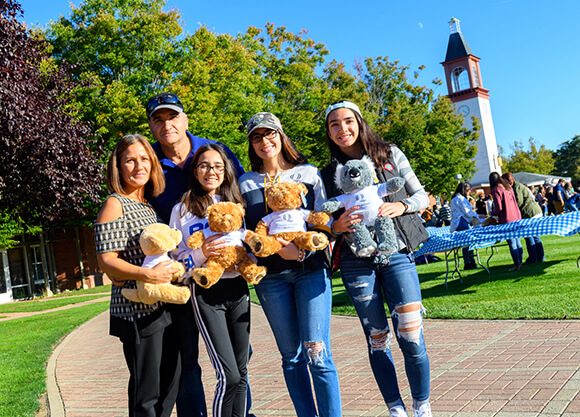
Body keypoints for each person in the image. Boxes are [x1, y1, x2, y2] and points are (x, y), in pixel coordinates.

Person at [321, 100, 431, 417]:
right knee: (377, 339)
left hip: (397, 252)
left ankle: (421, 405)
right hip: (357, 260)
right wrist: (335, 225)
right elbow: (319, 219)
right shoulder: (327, 174)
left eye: (348, 121)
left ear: (359, 122)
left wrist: (403, 206)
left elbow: (421, 196)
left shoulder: (389, 154)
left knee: (411, 333)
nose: (343, 129)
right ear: (329, 132)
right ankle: (395, 408)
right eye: (334, 124)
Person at [144, 92, 250, 417]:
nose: (167, 125)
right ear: (151, 126)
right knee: (188, 356)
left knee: (239, 367)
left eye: (172, 117)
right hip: (187, 276)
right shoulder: (152, 166)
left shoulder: (215, 151)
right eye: (158, 119)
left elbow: (244, 196)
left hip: (234, 285)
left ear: (185, 119)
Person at [239, 112, 342, 417]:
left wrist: (300, 253)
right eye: (256, 137)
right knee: (291, 357)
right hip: (271, 280)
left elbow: (325, 223)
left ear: (281, 136)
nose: (264, 141)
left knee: (317, 352)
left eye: (269, 134)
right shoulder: (246, 182)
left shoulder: (308, 174)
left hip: (310, 271)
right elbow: (247, 231)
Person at [94, 134, 181, 417]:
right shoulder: (114, 203)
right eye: (130, 160)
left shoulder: (148, 205)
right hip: (135, 311)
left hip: (162, 306)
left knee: (171, 380)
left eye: (144, 159)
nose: (138, 166)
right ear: (118, 166)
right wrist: (147, 274)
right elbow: (105, 260)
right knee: (147, 393)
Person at [170, 144, 250, 417]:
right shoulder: (182, 210)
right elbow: (175, 262)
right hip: (205, 291)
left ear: (226, 171)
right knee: (229, 376)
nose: (211, 171)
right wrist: (200, 253)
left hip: (238, 289)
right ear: (195, 171)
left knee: (242, 372)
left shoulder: (237, 206)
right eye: (204, 165)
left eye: (217, 166)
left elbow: (248, 243)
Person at [502, 172, 545, 264]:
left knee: (528, 235)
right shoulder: (517, 186)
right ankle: (540, 257)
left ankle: (533, 258)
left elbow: (519, 202)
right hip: (534, 211)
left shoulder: (516, 187)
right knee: (535, 236)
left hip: (529, 213)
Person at [489, 172, 523, 271]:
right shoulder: (508, 187)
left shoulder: (496, 190)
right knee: (517, 241)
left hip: (507, 219)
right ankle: (520, 263)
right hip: (516, 216)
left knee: (512, 243)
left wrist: (492, 214)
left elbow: (499, 207)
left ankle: (517, 265)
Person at [449, 181, 480, 270]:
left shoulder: (454, 198)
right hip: (461, 221)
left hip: (458, 222)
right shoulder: (460, 199)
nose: (469, 191)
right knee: (467, 243)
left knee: (465, 243)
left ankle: (469, 262)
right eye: (468, 190)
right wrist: (477, 216)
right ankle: (469, 263)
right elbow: (467, 212)